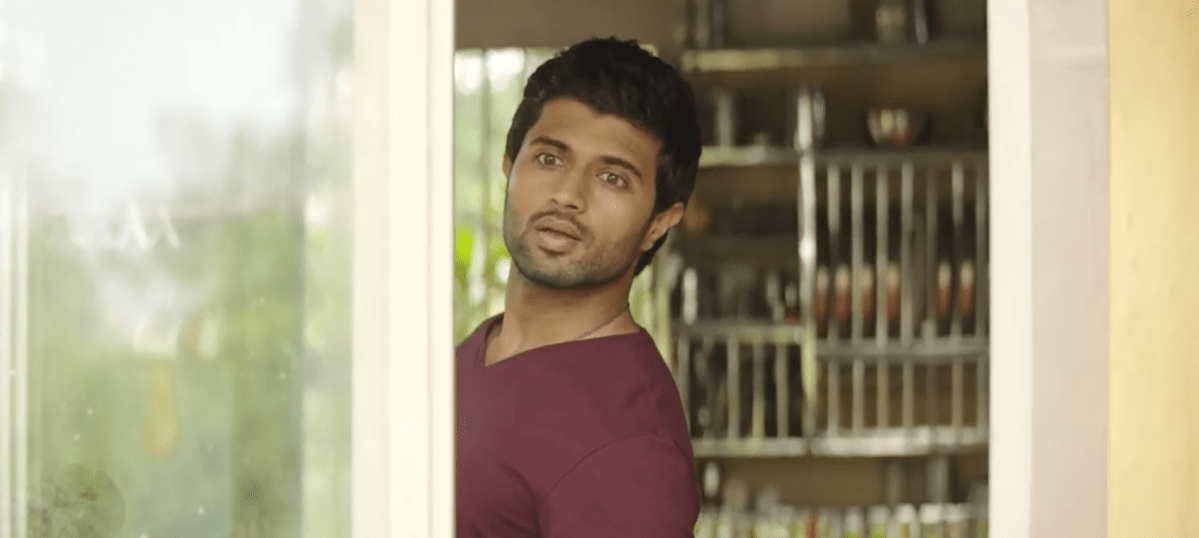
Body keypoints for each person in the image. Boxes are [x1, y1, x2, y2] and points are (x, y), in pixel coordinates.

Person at [455, 36, 703, 537]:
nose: (567, 195)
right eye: (550, 159)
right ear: (509, 166)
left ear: (658, 222)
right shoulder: (481, 349)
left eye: (613, 178)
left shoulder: (633, 450)